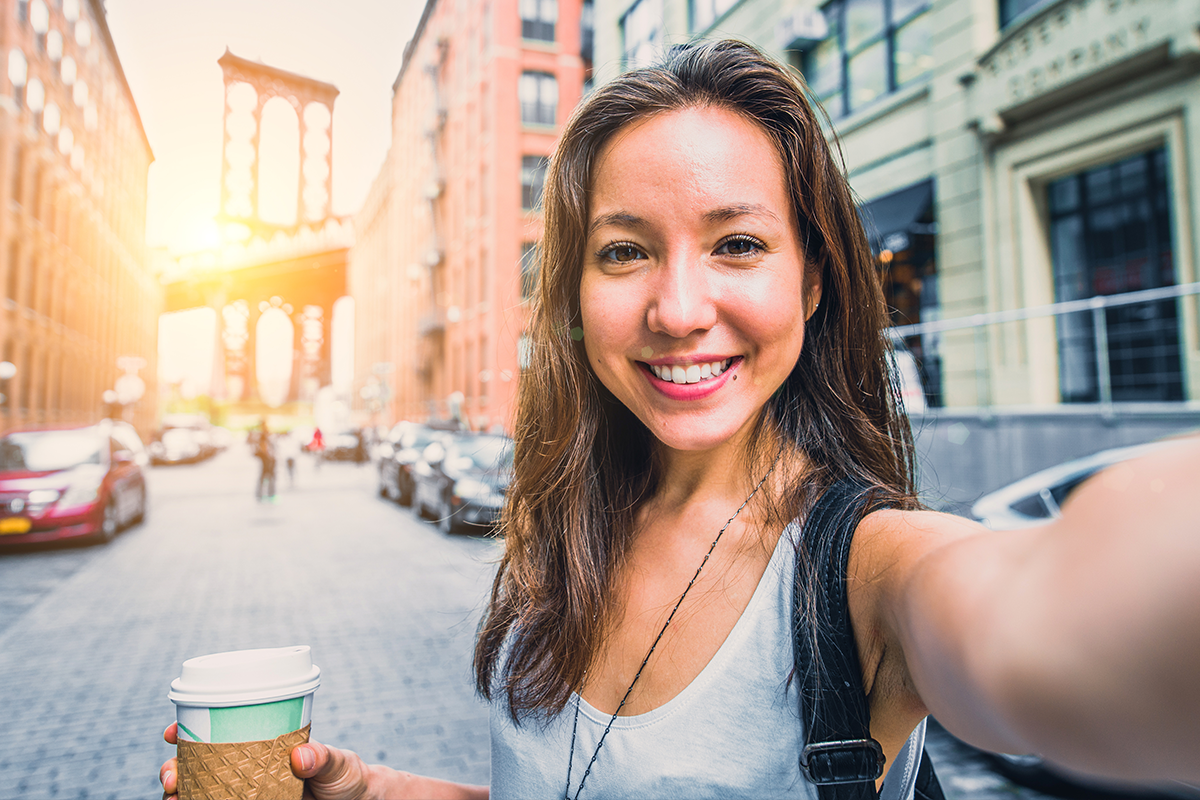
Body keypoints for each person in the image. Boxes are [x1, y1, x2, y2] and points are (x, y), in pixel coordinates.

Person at [159, 39, 1200, 799]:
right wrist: (377, 790)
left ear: (818, 281)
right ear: (574, 295)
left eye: (737, 244)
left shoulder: (868, 570)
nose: (677, 307)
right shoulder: (559, 532)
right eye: (624, 250)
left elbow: (1045, 619)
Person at [253, 419, 276, 502]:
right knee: (267, 476)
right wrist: (269, 456)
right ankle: (268, 494)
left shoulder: (262, 434)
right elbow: (264, 446)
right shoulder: (263, 434)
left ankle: (263, 494)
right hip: (266, 459)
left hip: (266, 458)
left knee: (265, 476)